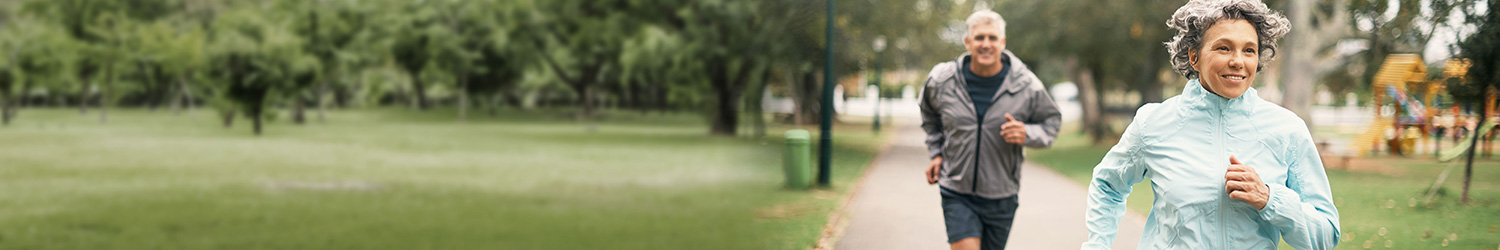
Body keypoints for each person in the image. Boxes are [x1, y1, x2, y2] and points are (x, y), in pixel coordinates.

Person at [1081, 0, 1341, 249]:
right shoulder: (1155, 123)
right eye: (1224, 48)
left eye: (1249, 50)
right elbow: (1108, 184)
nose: (1238, 61)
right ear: (1194, 57)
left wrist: (1270, 199)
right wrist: (1097, 244)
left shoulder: (1287, 129)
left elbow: (1326, 236)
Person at [919, 9, 1062, 250]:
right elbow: (929, 113)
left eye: (992, 38)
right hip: (957, 189)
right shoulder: (942, 80)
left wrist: (1028, 133)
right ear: (967, 42)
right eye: (979, 37)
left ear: (1003, 42)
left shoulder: (1026, 85)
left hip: (1002, 195)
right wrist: (936, 152)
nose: (986, 44)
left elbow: (1051, 123)